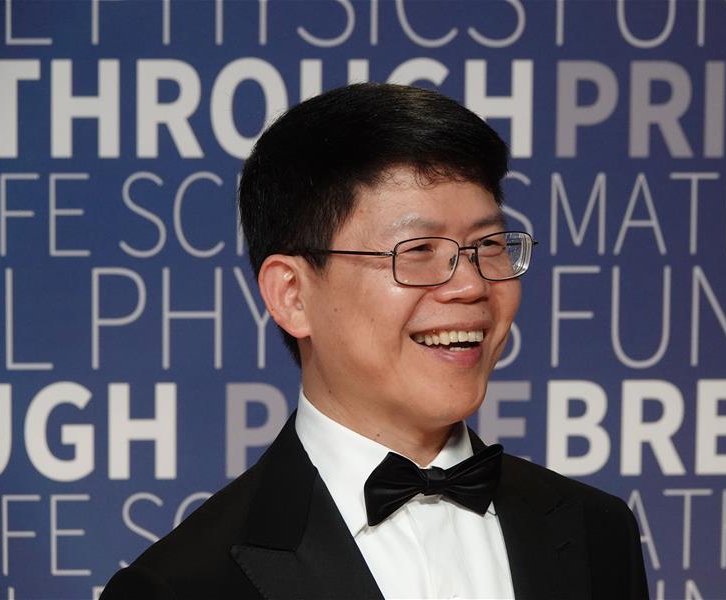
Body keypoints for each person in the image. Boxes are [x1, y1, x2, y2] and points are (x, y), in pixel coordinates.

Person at [102, 83, 649, 599]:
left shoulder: (597, 531)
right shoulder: (181, 586)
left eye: (488, 245)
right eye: (418, 251)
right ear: (292, 295)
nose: (471, 286)